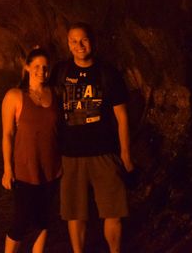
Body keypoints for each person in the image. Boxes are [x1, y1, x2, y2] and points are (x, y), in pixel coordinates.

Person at [50, 22, 134, 253]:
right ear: (68, 44)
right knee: (75, 214)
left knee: (113, 211)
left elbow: (122, 117)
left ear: (92, 41)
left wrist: (126, 154)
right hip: (70, 155)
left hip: (104, 153)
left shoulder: (108, 74)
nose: (79, 45)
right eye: (74, 41)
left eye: (84, 39)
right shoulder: (60, 72)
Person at [2, 48, 62, 253]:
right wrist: (7, 169)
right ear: (27, 67)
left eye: (45, 67)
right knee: (21, 221)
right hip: (25, 170)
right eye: (36, 66)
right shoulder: (14, 96)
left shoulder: (55, 94)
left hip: (51, 169)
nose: (41, 71)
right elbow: (7, 134)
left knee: (43, 220)